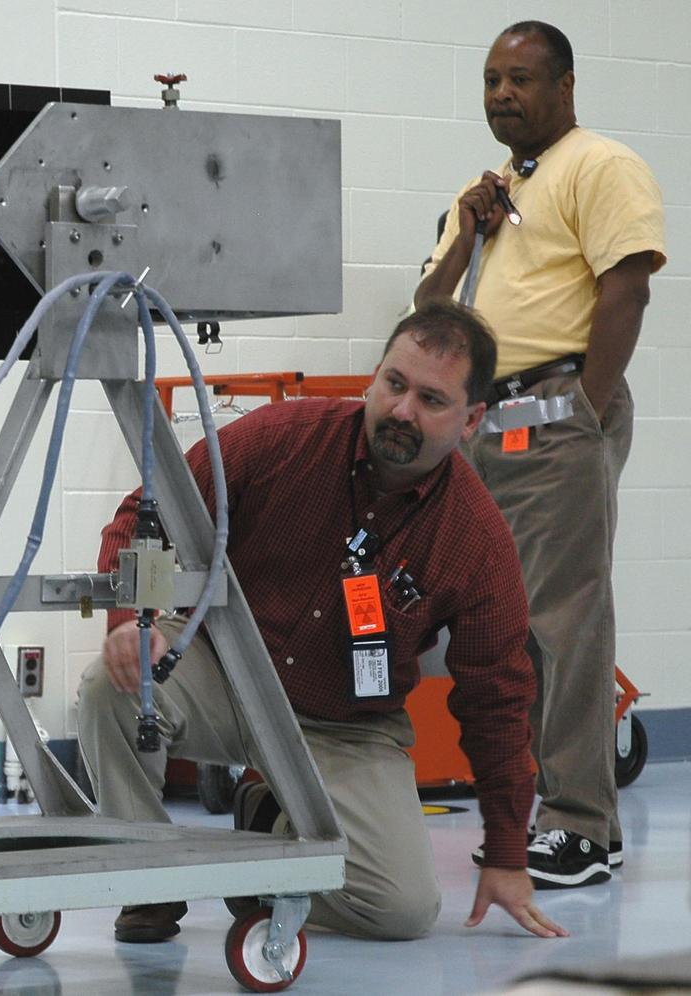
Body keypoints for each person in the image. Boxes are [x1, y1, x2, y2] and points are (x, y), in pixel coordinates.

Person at [78, 301, 567, 944]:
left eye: (431, 400)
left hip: (346, 727)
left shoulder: (476, 541)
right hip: (225, 672)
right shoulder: (282, 439)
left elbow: (497, 702)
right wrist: (132, 622)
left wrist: (506, 852)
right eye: (394, 384)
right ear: (374, 377)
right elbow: (146, 513)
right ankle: (148, 881)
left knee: (402, 909)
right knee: (110, 687)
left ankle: (269, 838)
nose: (402, 410)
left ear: (471, 419)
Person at [416, 21, 666, 889]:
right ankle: (555, 816)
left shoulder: (599, 165)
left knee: (563, 622)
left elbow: (626, 289)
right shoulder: (485, 194)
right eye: (491, 80)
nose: (502, 95)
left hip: (556, 416)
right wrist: (465, 234)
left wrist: (585, 411)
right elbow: (430, 310)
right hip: (489, 425)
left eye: (520, 79)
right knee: (507, 628)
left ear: (565, 86)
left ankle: (581, 826)